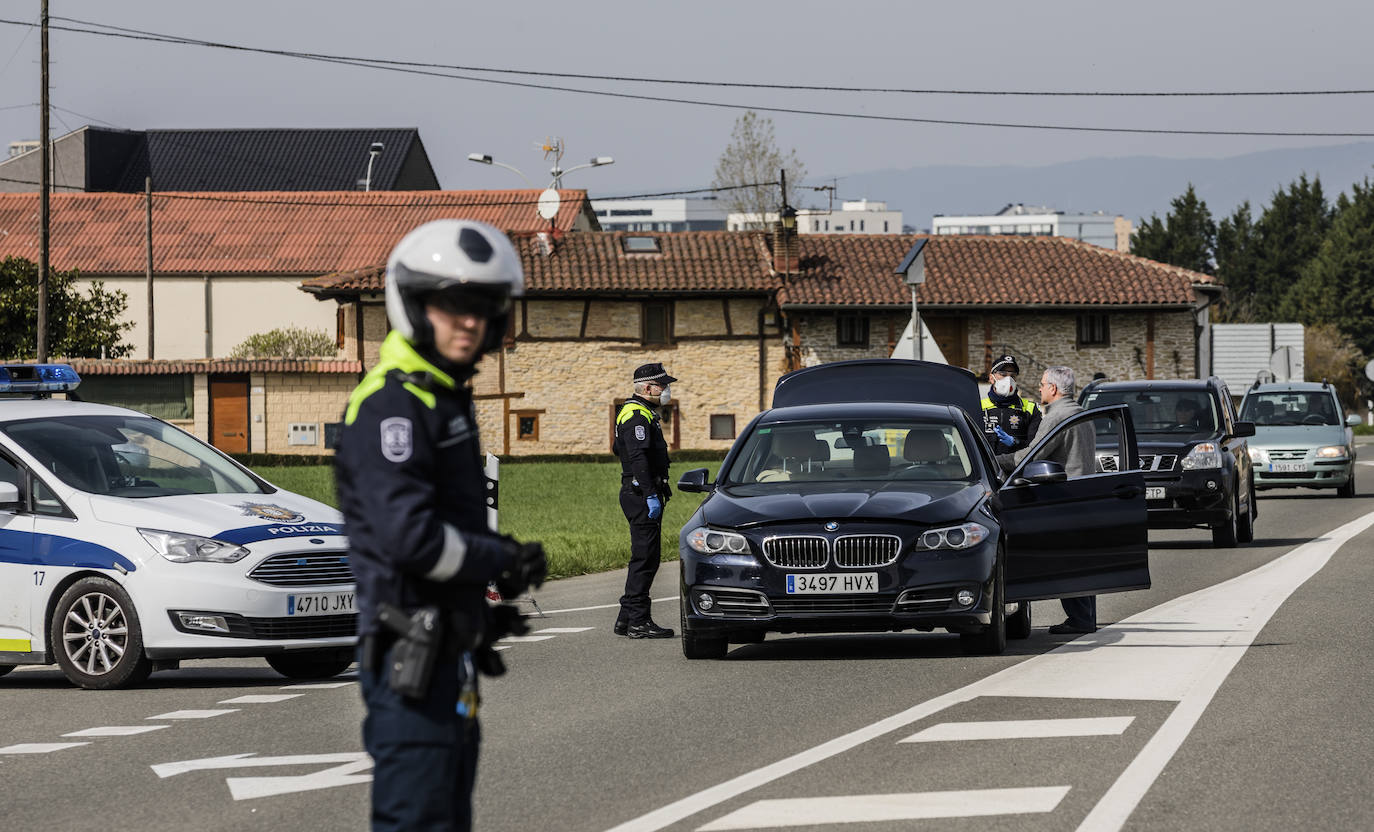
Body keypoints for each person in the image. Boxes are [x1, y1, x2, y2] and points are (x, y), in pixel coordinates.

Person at [335, 219, 548, 831]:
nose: (469, 322)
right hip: (409, 662)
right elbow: (409, 538)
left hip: (444, 657)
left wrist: (477, 616)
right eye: (451, 306)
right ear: (415, 304)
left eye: (482, 307)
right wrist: (495, 559)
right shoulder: (392, 405)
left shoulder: (441, 394)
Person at [995, 365, 1097, 634]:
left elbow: (1030, 457)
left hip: (1065, 499)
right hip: (1085, 496)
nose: (1039, 388)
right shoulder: (1082, 415)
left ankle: (1080, 619)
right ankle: (1085, 617)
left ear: (1053, 389)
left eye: (1041, 384)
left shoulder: (1056, 418)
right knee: (1082, 562)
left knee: (1067, 561)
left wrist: (995, 461)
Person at [612, 363, 678, 639]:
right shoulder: (637, 415)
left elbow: (619, 449)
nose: (666, 390)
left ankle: (627, 617)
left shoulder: (641, 412)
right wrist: (651, 493)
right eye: (662, 386)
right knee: (645, 559)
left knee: (646, 557)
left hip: (641, 493)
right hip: (641, 495)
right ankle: (639, 621)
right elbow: (637, 458)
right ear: (648, 388)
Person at [981, 353, 1042, 453]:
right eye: (1003, 374)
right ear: (991, 378)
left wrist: (1015, 443)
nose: (1008, 379)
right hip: (986, 467)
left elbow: (1035, 447)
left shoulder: (1030, 409)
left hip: (1017, 467)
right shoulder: (979, 407)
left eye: (1012, 376)